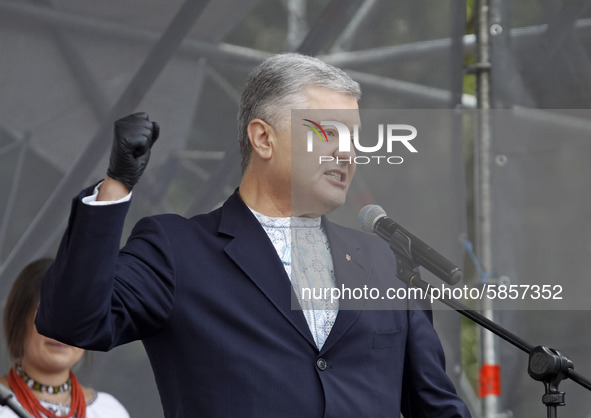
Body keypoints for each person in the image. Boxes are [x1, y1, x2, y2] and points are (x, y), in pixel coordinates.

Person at [36, 53, 471, 417]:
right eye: (328, 132)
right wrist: (116, 185)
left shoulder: (379, 260)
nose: (346, 151)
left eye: (353, 138)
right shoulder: (178, 250)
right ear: (264, 138)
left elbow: (434, 406)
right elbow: (74, 321)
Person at [0, 258, 129, 418]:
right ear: (19, 321)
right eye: (50, 315)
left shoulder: (110, 411)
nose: (61, 331)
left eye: (74, 317)